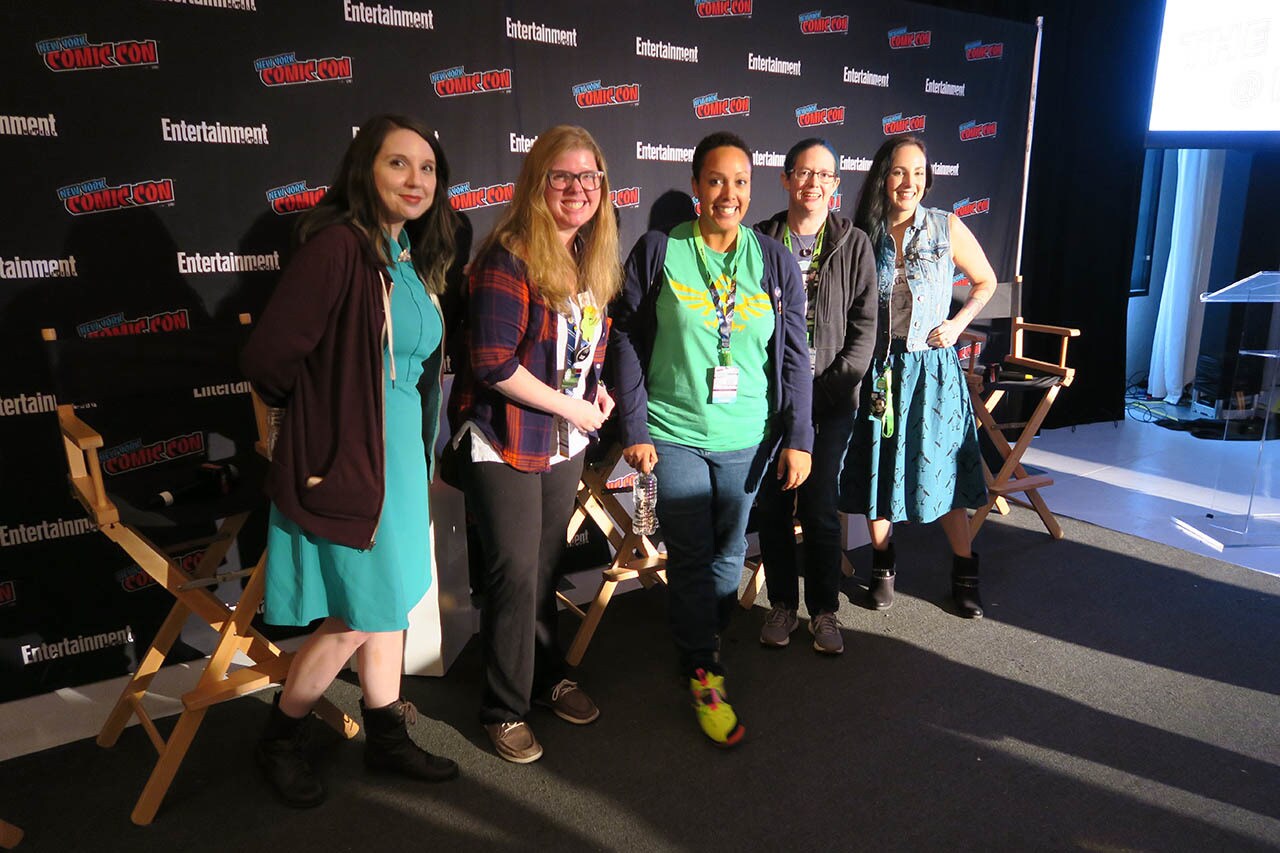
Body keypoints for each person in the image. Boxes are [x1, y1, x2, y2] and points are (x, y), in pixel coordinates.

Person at [241, 114, 465, 807]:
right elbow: (269, 360)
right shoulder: (339, 248)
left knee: (389, 604)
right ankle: (281, 733)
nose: (416, 180)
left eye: (427, 169)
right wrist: (323, 423)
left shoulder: (405, 255)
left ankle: (386, 733)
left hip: (398, 460)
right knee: (361, 615)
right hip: (352, 461)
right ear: (365, 170)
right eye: (399, 164)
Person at [611, 131, 813, 746]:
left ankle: (700, 637)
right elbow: (622, 336)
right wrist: (634, 425)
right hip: (672, 432)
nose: (729, 193)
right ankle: (703, 669)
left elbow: (796, 357)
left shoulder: (775, 261)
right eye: (717, 180)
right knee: (695, 553)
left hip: (748, 436)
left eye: (741, 181)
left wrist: (799, 435)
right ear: (697, 186)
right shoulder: (657, 251)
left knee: (729, 555)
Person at [446, 125, 619, 764]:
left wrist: (596, 392)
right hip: (505, 439)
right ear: (536, 184)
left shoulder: (591, 255)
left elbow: (590, 342)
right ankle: (503, 707)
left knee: (546, 569)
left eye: (589, 177)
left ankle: (547, 678)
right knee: (514, 574)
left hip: (564, 438)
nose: (578, 189)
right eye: (562, 177)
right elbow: (492, 361)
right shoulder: (508, 255)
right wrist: (570, 403)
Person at [839, 134, 996, 619]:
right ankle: (882, 568)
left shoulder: (947, 226)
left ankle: (965, 572)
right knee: (878, 470)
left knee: (943, 473)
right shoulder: (864, 233)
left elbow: (985, 281)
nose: (909, 182)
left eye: (919, 173)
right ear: (884, 177)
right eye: (900, 172)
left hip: (933, 374)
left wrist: (956, 324)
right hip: (882, 373)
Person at [752, 138, 877, 654]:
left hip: (831, 401)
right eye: (804, 173)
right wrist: (783, 396)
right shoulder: (756, 240)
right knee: (775, 506)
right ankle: (782, 605)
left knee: (823, 504)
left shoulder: (855, 245)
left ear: (836, 186)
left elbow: (866, 330)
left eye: (824, 175)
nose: (813, 184)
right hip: (772, 402)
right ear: (785, 179)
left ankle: (824, 612)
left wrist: (823, 390)